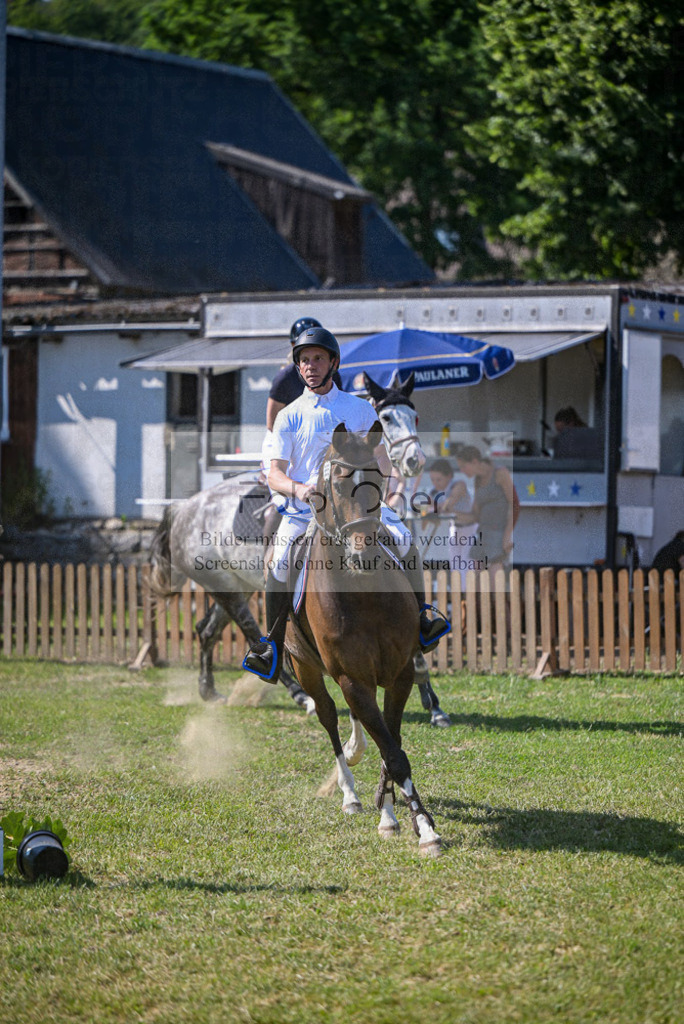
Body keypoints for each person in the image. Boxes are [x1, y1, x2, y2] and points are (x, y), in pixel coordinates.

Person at [243, 326, 450, 681]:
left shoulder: (357, 409)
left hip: (358, 505)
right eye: (304, 360)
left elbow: (383, 463)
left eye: (318, 359)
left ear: (333, 363)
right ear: (298, 367)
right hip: (305, 508)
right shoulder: (289, 415)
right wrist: (299, 488)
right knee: (278, 564)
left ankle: (422, 618)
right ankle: (271, 648)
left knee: (404, 541)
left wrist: (391, 492)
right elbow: (274, 473)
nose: (310, 366)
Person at [453, 444, 515, 577]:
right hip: (483, 533)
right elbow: (476, 515)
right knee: (476, 579)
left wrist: (507, 536)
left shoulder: (500, 473)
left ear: (475, 461)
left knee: (494, 582)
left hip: (499, 532)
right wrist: (452, 514)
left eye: (464, 466)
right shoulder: (478, 480)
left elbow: (514, 504)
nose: (462, 471)